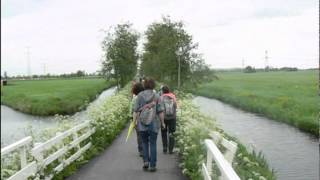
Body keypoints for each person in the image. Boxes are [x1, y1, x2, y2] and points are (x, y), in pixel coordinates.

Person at [133, 78, 165, 172]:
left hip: (142, 124)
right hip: (154, 124)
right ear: (154, 85)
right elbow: (161, 111)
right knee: (153, 144)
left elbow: (135, 110)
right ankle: (153, 165)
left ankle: (146, 162)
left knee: (145, 143)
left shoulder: (139, 96)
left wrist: (134, 121)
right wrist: (162, 122)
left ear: (145, 85)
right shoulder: (157, 96)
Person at [160, 85, 177, 154]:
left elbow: (160, 108)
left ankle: (164, 148)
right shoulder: (173, 96)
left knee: (163, 133)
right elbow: (176, 106)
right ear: (169, 90)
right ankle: (171, 149)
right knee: (172, 133)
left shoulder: (161, 97)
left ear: (162, 91)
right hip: (172, 118)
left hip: (164, 118)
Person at [130, 82, 145, 157]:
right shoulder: (145, 96)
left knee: (139, 135)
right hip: (145, 117)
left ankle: (141, 150)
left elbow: (132, 110)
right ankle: (146, 148)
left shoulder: (134, 98)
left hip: (136, 118)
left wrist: (133, 120)